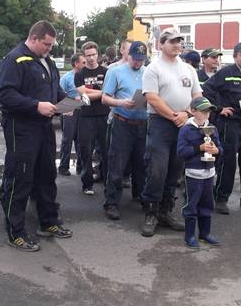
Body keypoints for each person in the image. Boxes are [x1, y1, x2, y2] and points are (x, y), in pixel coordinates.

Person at [0, 20, 72, 252]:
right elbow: (6, 95)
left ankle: (48, 222)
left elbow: (54, 90)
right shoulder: (15, 59)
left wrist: (67, 104)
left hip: (45, 127)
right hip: (21, 128)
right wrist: (36, 106)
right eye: (47, 44)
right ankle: (16, 232)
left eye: (51, 45)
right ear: (34, 38)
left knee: (47, 174)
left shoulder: (47, 62)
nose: (49, 49)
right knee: (21, 178)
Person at [141, 28, 202, 237]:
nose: (177, 45)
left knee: (175, 170)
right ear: (161, 44)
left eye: (179, 41)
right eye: (172, 41)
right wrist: (175, 116)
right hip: (160, 123)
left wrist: (186, 114)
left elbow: (197, 96)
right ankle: (151, 212)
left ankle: (165, 211)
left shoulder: (188, 69)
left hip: (184, 123)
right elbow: (152, 98)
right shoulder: (153, 69)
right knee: (157, 169)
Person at [202, 42, 241, 215]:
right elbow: (205, 90)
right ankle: (221, 198)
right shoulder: (226, 73)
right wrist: (218, 108)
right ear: (235, 56)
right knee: (228, 161)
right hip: (230, 124)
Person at [101, 41, 148, 220]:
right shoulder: (115, 72)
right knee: (117, 164)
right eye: (135, 59)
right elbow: (105, 98)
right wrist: (122, 102)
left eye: (141, 60)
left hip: (143, 123)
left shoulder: (147, 72)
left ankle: (141, 195)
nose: (138, 63)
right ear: (128, 55)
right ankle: (111, 202)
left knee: (141, 163)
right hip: (122, 122)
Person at [177, 97, 223, 249]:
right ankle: (189, 236)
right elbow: (181, 152)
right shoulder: (186, 129)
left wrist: (216, 150)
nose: (206, 115)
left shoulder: (212, 128)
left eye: (208, 112)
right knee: (191, 205)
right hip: (193, 174)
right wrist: (199, 148)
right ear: (193, 111)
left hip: (209, 173)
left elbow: (220, 149)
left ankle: (205, 233)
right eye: (203, 111)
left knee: (207, 204)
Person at [75, 41, 110, 196]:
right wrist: (102, 93)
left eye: (93, 55)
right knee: (86, 151)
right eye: (88, 55)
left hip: (104, 116)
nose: (91, 58)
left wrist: (91, 93)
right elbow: (83, 95)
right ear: (84, 56)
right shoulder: (79, 74)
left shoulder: (106, 72)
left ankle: (107, 182)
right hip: (86, 117)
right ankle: (87, 184)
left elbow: (109, 92)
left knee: (106, 150)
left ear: (98, 54)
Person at [58, 52, 86, 176]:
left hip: (82, 111)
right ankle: (63, 167)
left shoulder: (85, 77)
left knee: (81, 140)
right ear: (76, 63)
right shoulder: (66, 78)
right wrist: (69, 105)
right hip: (69, 111)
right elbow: (59, 95)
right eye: (83, 62)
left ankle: (81, 166)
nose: (85, 64)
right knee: (67, 140)